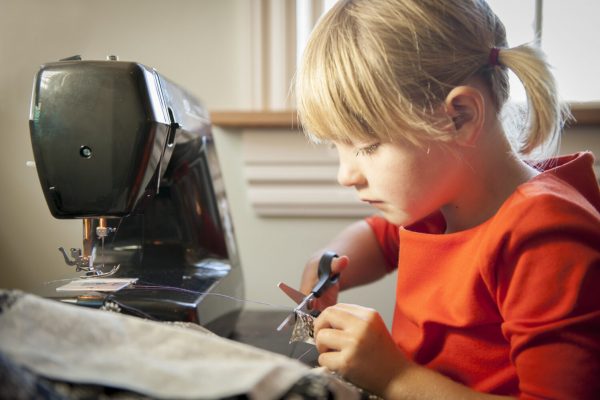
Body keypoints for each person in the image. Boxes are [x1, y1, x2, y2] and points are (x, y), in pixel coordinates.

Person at [294, 0, 600, 398]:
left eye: (368, 146)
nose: (345, 175)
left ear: (460, 117)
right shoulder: (441, 201)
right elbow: (378, 238)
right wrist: (327, 265)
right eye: (338, 147)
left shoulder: (545, 238)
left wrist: (393, 376)